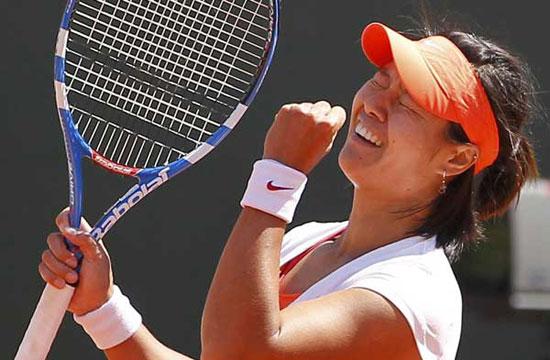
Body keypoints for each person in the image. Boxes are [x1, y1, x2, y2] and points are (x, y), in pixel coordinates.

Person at [38, 19, 539, 360]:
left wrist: (279, 174)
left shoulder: (413, 297)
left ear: (457, 157)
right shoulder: (309, 240)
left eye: (410, 103)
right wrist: (101, 308)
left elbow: (240, 353)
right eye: (381, 80)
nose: (374, 104)